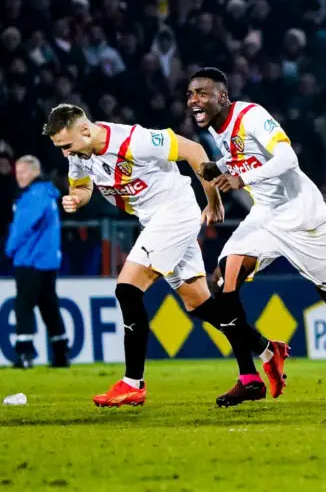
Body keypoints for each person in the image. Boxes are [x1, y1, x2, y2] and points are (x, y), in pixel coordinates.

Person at [187, 67, 326, 405]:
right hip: (266, 215)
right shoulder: (218, 128)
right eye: (191, 94)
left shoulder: (251, 116)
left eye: (202, 93)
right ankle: (250, 376)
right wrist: (221, 166)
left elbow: (287, 157)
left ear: (222, 96)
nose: (194, 100)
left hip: (301, 214)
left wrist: (240, 179)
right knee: (222, 280)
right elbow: (244, 155)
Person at [42, 104, 272, 407]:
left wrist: (213, 200)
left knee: (127, 289)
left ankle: (132, 383)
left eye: (66, 145)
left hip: (175, 212)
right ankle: (267, 351)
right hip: (154, 221)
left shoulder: (132, 140)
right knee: (199, 304)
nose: (65, 154)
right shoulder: (79, 154)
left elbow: (193, 150)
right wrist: (76, 199)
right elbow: (82, 186)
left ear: (85, 129)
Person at [4, 155, 66, 369]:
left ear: (34, 172)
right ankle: (61, 352)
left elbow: (22, 227)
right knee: (49, 306)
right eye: (17, 172)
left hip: (30, 260)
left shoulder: (34, 195)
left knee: (24, 305)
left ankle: (25, 353)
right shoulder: (47, 193)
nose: (19, 176)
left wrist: (8, 250)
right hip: (48, 261)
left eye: (23, 172)